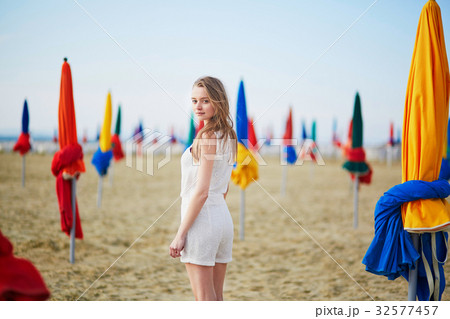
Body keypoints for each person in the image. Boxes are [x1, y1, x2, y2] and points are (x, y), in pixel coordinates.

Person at [169, 76, 237, 301]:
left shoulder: (207, 137)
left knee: (204, 300)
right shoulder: (229, 136)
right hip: (222, 220)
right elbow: (224, 187)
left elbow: (202, 190)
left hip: (203, 222)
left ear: (218, 102)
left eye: (205, 100)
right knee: (217, 298)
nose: (198, 106)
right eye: (194, 100)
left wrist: (180, 234)